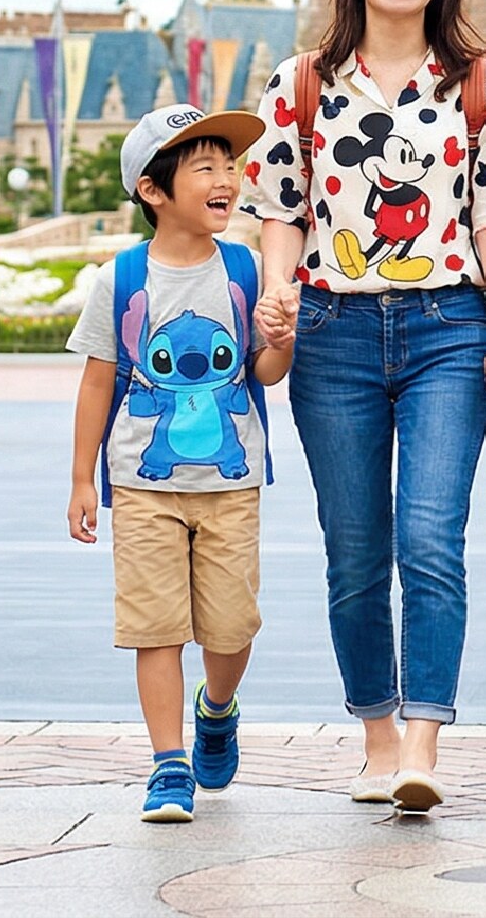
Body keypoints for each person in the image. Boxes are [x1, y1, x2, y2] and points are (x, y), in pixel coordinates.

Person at [241, 0, 486, 814]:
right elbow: (282, 212)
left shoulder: (483, 85)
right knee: (355, 550)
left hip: (446, 329)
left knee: (429, 539)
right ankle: (375, 737)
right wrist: (280, 292)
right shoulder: (299, 84)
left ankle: (422, 746)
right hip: (332, 334)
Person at [63, 104, 290, 824]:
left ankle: (215, 709)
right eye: (205, 168)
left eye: (229, 166)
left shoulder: (245, 269)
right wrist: (80, 481)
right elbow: (98, 380)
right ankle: (167, 765)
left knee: (231, 628)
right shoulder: (121, 278)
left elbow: (266, 371)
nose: (227, 179)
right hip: (142, 483)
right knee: (155, 626)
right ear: (153, 191)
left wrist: (280, 337)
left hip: (230, 482)